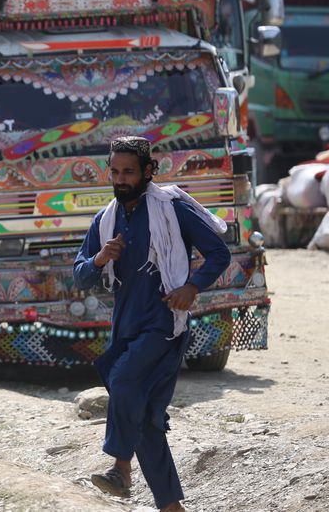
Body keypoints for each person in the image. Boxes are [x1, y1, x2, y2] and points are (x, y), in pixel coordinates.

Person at [74, 136, 231, 512]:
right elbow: (80, 275)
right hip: (125, 325)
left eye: (129, 171)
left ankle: (120, 468)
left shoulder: (172, 209)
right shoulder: (105, 219)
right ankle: (171, 506)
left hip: (164, 323)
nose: (121, 179)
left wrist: (192, 287)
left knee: (123, 380)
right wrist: (99, 259)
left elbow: (218, 253)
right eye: (115, 171)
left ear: (148, 171)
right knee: (144, 418)